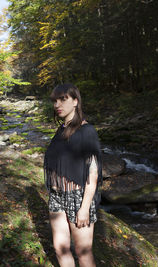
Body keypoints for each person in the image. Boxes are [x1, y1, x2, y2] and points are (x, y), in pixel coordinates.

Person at [44, 83, 102, 266]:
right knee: (60, 249)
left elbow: (93, 174)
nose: (57, 105)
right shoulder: (60, 130)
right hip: (56, 197)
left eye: (63, 99)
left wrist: (84, 207)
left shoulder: (87, 132)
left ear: (75, 101)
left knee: (82, 252)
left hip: (78, 198)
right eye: (55, 101)